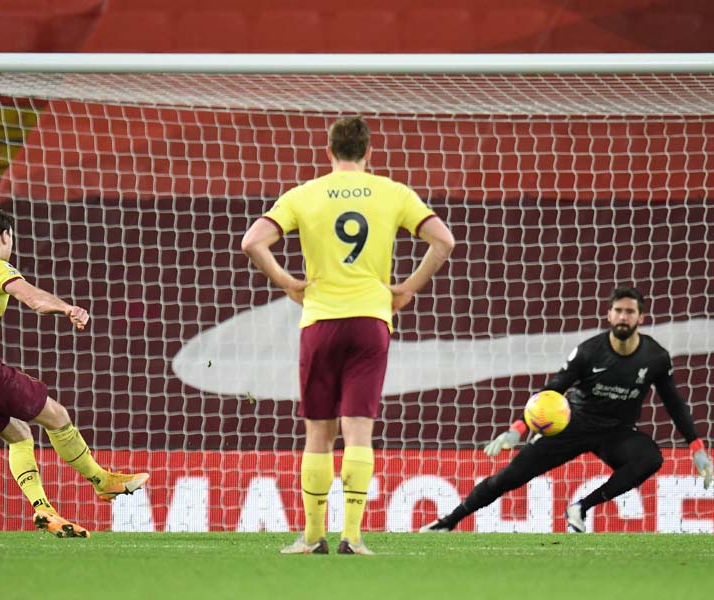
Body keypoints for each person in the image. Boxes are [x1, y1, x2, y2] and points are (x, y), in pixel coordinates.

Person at [242, 116, 455, 554]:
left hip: (320, 321)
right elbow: (444, 241)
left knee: (319, 433)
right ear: (368, 152)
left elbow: (252, 242)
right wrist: (408, 288)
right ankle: (353, 537)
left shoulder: (305, 194)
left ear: (329, 152)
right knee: (359, 431)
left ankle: (312, 536)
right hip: (371, 322)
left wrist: (288, 282)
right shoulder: (392, 192)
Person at [0, 206, 149, 538]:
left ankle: (43, 508)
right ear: (5, 235)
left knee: (19, 434)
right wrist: (67, 308)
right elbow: (33, 299)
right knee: (57, 415)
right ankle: (103, 482)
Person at [421, 286, 713, 534]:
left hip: (616, 432)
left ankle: (581, 508)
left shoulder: (656, 357)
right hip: (573, 424)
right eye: (619, 311)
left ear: (641, 317)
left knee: (650, 459)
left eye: (630, 312)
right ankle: (449, 522)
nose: (624, 317)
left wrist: (696, 447)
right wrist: (518, 429)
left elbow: (674, 402)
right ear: (609, 315)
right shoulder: (589, 351)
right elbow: (553, 389)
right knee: (509, 477)